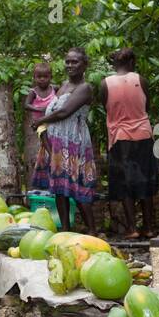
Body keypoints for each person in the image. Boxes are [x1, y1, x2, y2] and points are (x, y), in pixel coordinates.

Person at [32, 47, 98, 233]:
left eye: (75, 62)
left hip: (74, 142)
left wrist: (40, 121)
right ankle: (66, 231)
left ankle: (92, 231)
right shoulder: (63, 85)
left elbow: (64, 112)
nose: (70, 65)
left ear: (84, 64)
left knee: (79, 188)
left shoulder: (84, 88)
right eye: (67, 61)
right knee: (60, 189)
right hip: (58, 144)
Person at [98, 47, 157, 238]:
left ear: (115, 64)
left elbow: (105, 107)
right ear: (132, 63)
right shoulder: (141, 80)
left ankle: (132, 228)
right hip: (143, 135)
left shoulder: (105, 84)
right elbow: (146, 106)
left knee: (125, 184)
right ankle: (149, 227)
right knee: (145, 182)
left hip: (119, 137)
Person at [22, 62, 56, 188]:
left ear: (50, 77)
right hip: (40, 121)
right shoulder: (33, 92)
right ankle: (51, 153)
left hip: (53, 121)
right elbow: (26, 105)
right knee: (42, 132)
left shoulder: (54, 89)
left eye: (45, 77)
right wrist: (39, 109)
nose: (42, 79)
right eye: (39, 77)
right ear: (34, 77)